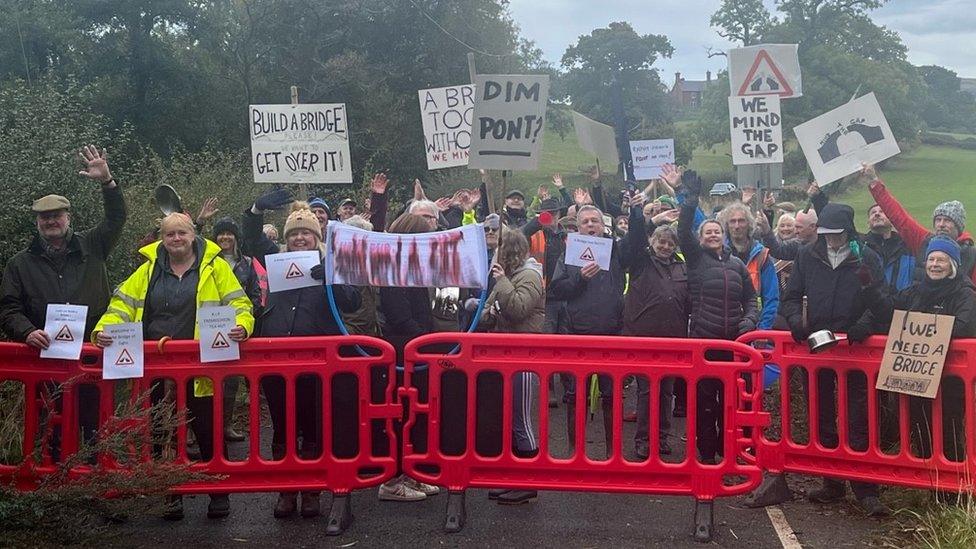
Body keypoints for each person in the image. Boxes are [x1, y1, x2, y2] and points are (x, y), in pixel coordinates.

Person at [91, 212, 254, 520]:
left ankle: (218, 492)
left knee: (207, 431)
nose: (176, 239)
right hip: (155, 366)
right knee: (159, 432)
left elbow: (240, 303)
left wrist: (243, 326)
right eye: (170, 234)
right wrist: (103, 330)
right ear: (161, 239)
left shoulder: (216, 266)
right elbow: (121, 305)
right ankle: (169, 494)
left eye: (182, 233)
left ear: (193, 235)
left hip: (201, 365)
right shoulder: (148, 269)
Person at [0, 145, 126, 456]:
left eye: (56, 215)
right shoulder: (20, 263)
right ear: (37, 223)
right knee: (50, 424)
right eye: (44, 217)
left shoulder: (93, 245)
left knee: (95, 422)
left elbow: (116, 217)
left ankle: (98, 481)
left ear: (68, 217)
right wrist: (26, 331)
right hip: (46, 357)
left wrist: (107, 182)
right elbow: (8, 308)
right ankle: (57, 485)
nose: (50, 221)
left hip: (93, 351)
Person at [243, 191, 361, 519]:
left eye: (305, 232)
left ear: (316, 236)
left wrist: (332, 281)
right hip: (277, 361)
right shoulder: (275, 259)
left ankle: (311, 489)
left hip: (318, 364)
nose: (299, 238)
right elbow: (251, 238)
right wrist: (256, 208)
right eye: (294, 233)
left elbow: (354, 303)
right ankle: (286, 489)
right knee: (282, 427)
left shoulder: (333, 262)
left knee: (313, 427)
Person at [778, 201, 889, 516]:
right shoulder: (807, 255)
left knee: (860, 418)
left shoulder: (866, 258)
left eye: (837, 234)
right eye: (826, 234)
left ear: (849, 231)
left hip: (856, 349)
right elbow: (790, 296)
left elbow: (882, 301)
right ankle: (832, 482)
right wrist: (796, 323)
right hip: (819, 348)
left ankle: (866, 489)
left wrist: (866, 324)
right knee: (821, 414)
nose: (831, 240)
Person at [852, 236, 976, 464]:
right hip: (917, 378)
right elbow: (888, 311)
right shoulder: (915, 291)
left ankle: (951, 487)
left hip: (950, 380)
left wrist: (927, 327)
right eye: (931, 259)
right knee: (920, 426)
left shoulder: (965, 293)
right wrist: (870, 291)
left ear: (953, 265)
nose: (935, 264)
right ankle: (928, 481)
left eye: (942, 260)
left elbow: (964, 325)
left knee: (948, 429)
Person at [676, 169, 758, 464]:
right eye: (707, 232)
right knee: (706, 403)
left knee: (731, 404)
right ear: (701, 239)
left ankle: (729, 451)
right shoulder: (696, 259)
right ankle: (707, 453)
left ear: (723, 235)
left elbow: (751, 298)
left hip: (734, 345)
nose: (713, 234)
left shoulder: (737, 264)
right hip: (704, 343)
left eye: (716, 231)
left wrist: (749, 321)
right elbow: (682, 231)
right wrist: (690, 200)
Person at [549, 204, 630, 459]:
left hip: (611, 334)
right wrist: (579, 279)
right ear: (578, 227)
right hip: (577, 335)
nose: (591, 225)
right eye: (586, 222)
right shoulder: (569, 253)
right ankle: (575, 452)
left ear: (603, 225)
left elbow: (636, 239)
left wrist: (636, 211)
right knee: (575, 397)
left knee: (612, 396)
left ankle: (612, 453)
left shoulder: (615, 250)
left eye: (595, 221)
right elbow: (557, 289)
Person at [375, 213, 442, 502]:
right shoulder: (393, 270)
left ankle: (410, 472)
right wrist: (424, 340)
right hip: (403, 349)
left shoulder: (411, 267)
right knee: (401, 415)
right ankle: (392, 481)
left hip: (415, 346)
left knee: (414, 415)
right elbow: (399, 315)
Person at [481, 229, 545, 505]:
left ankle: (528, 481)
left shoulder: (529, 276)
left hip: (524, 356)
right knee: (507, 417)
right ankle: (512, 477)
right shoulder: (503, 279)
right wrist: (488, 311)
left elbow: (519, 309)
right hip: (502, 355)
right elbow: (484, 316)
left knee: (521, 418)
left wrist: (503, 283)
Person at [623, 197, 685, 459]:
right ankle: (643, 439)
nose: (665, 246)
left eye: (670, 242)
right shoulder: (641, 261)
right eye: (661, 241)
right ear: (652, 241)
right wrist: (640, 214)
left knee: (667, 392)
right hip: (644, 336)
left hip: (673, 339)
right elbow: (635, 237)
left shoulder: (682, 266)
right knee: (648, 391)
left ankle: (662, 437)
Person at [866, 164, 976, 282]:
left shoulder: (971, 255)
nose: (941, 224)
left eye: (948, 221)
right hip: (918, 300)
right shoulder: (923, 240)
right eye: (938, 220)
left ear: (958, 226)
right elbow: (898, 216)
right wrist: (874, 182)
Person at [209, 216, 265, 442]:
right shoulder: (206, 262)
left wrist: (248, 318)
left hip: (237, 328)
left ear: (236, 237)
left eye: (229, 233)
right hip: (207, 327)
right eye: (221, 233)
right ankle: (195, 429)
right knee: (204, 380)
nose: (225, 237)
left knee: (231, 380)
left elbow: (254, 293)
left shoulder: (247, 263)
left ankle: (225, 424)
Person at [717, 202, 779, 331]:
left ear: (749, 224)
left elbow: (771, 298)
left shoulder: (762, 256)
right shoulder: (717, 254)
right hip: (723, 328)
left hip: (755, 328)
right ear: (726, 226)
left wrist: (763, 331)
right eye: (732, 221)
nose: (737, 226)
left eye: (741, 221)